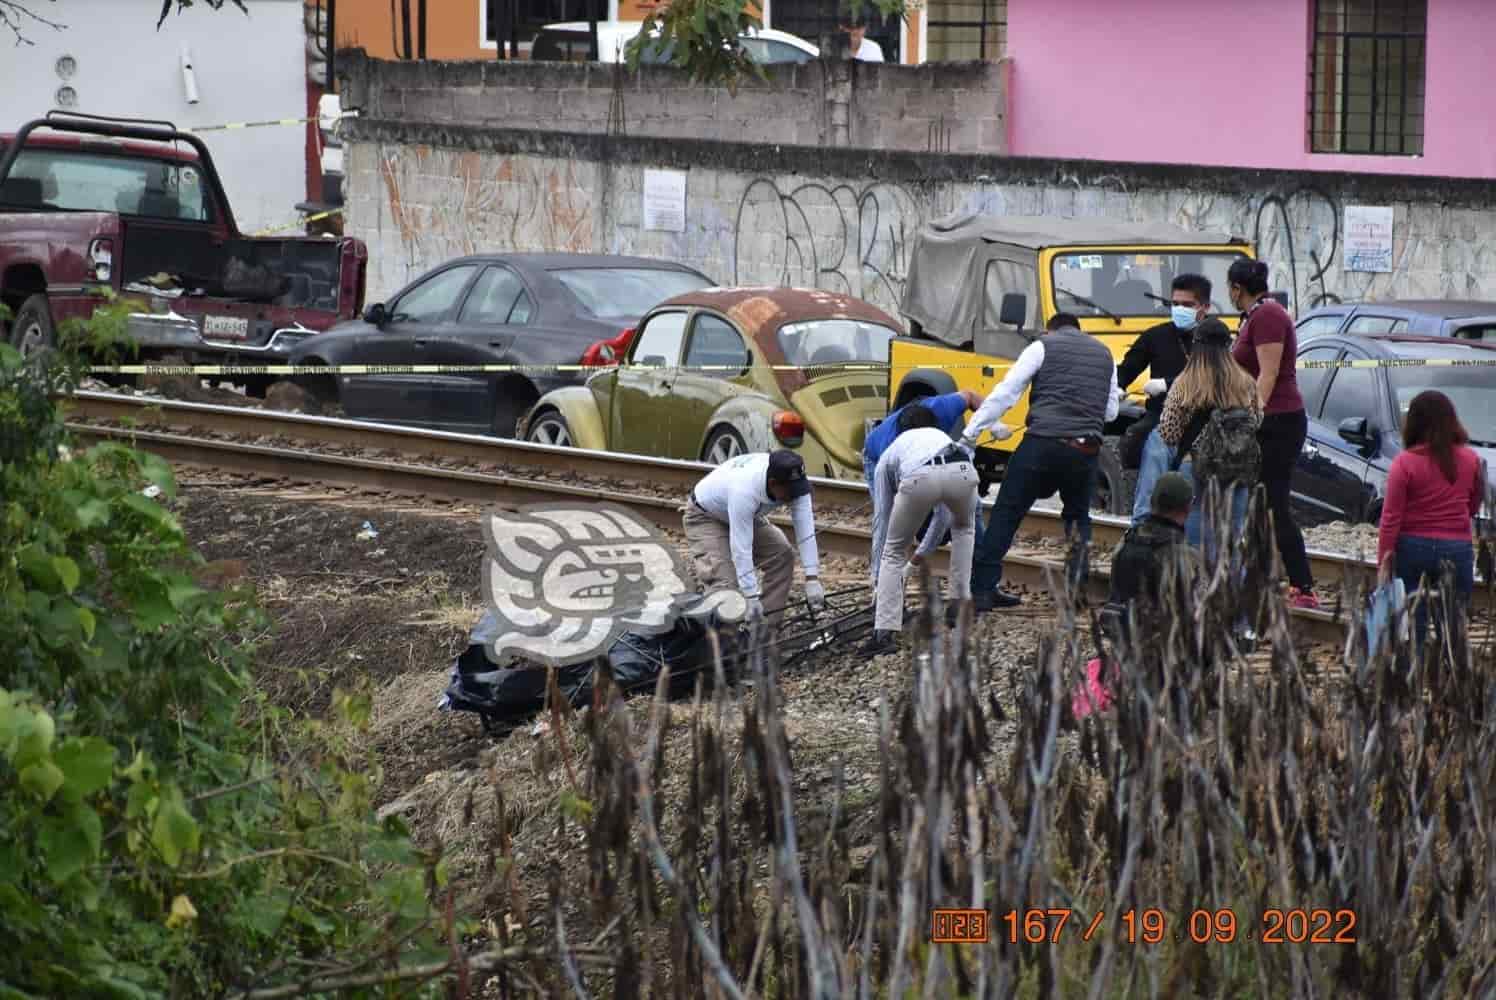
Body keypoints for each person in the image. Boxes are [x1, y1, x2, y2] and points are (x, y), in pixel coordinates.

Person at [960, 312, 1120, 610]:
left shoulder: (1042, 347)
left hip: (1042, 444)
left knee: (1007, 512)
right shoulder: (1104, 353)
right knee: (1077, 519)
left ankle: (982, 590)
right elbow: (1110, 413)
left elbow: (1005, 394)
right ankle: (1076, 593)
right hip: (1085, 451)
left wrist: (971, 434)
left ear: (1050, 330)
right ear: (1078, 328)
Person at [1227, 258, 1317, 608]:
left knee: (1274, 504)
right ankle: (1260, 578)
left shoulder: (1267, 316)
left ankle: (1303, 586)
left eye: (1231, 289)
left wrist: (1253, 417)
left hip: (1277, 421)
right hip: (1271, 420)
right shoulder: (1255, 316)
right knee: (1259, 504)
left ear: (1237, 288)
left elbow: (1268, 374)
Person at [863, 406, 981, 654]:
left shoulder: (892, 451)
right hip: (963, 468)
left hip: (920, 475)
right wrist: (917, 561)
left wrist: (878, 580)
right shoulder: (944, 439)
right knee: (964, 530)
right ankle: (959, 607)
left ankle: (884, 633)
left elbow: (882, 520)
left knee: (893, 550)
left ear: (901, 430)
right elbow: (942, 519)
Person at [1377, 390, 1484, 649]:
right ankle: (1456, 684)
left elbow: (1391, 518)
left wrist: (1384, 561)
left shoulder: (1404, 464)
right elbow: (1473, 504)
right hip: (1457, 550)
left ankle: (1411, 685)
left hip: (1412, 550)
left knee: (1413, 627)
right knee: (1453, 629)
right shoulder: (1471, 460)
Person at [683, 449, 826, 629]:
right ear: (773, 484)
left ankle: (765, 633)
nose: (795, 495)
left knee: (782, 555)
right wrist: (751, 597)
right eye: (790, 492)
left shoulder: (797, 486)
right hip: (705, 516)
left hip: (742, 514)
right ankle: (724, 647)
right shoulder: (744, 490)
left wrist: (812, 577)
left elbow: (806, 528)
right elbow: (741, 549)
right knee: (725, 586)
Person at [1156, 318, 1261, 561]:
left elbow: (1168, 432)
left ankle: (1199, 592)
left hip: (1194, 467)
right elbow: (1256, 421)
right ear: (1228, 346)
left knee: (1195, 544)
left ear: (1196, 346)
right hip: (1237, 467)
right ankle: (1233, 593)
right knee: (1233, 541)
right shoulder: (1245, 383)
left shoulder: (1185, 383)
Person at [1117, 273, 1212, 526]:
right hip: (1161, 422)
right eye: (1175, 303)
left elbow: (1211, 380)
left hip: (1200, 428)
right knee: (1151, 481)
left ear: (1204, 307)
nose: (1179, 309)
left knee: (1189, 497)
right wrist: (1115, 387)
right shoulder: (1156, 336)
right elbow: (1127, 368)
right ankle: (1140, 532)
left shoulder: (1214, 339)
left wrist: (1167, 385)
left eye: (1187, 305)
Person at [1103, 472, 1197, 643]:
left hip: (1123, 639)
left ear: (1153, 503)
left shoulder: (1127, 540)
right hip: (1160, 651)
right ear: (1187, 508)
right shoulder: (1182, 554)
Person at [862, 389, 983, 490]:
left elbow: (970, 395)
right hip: (875, 458)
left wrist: (992, 421)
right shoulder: (890, 450)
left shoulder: (942, 409)